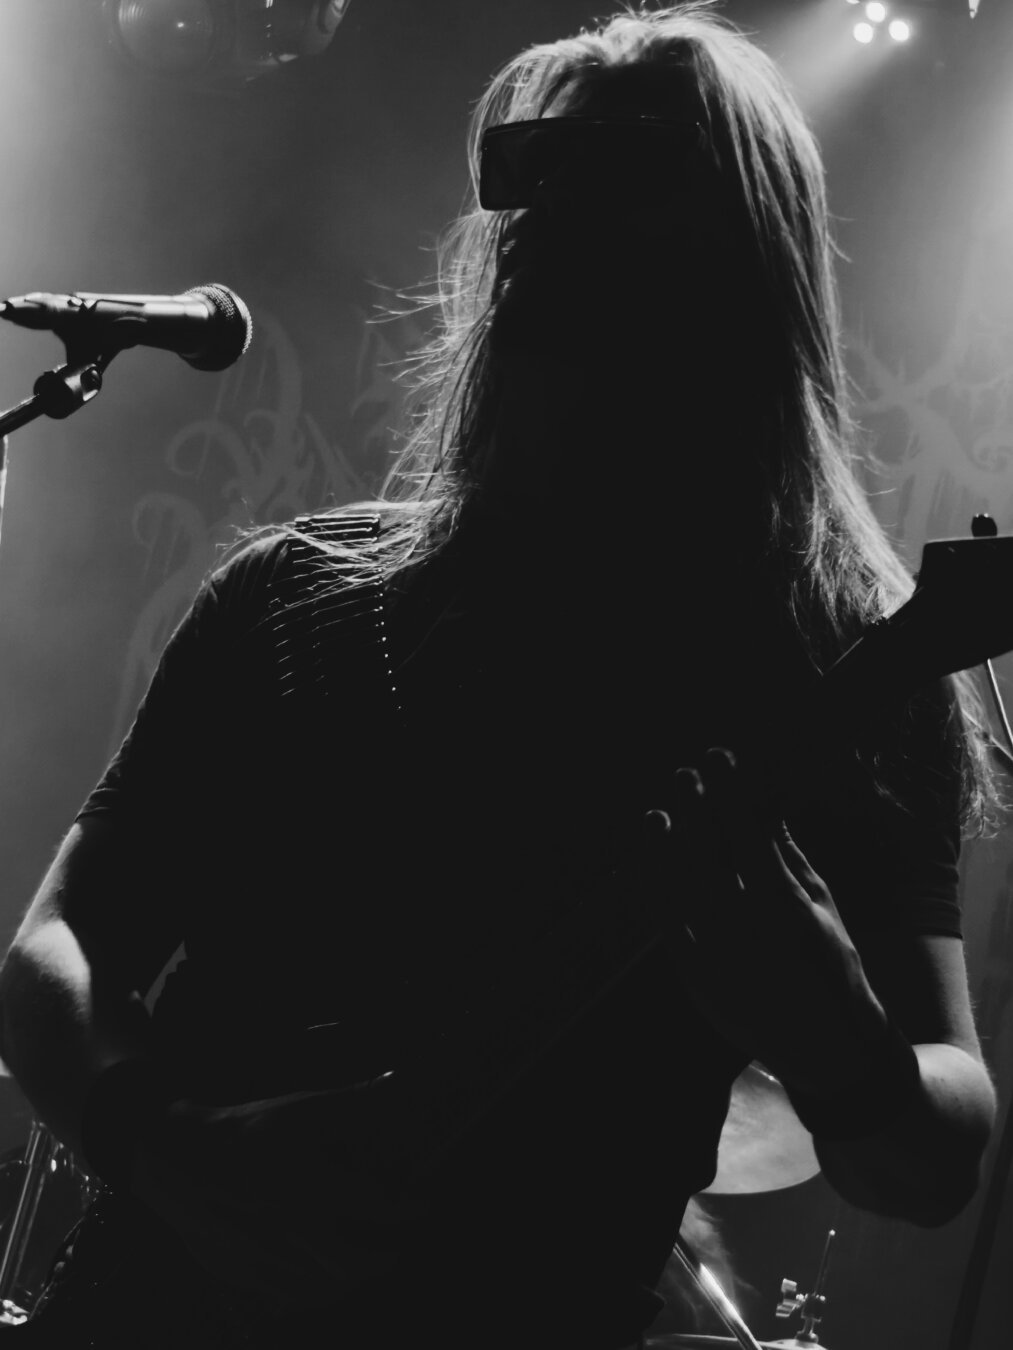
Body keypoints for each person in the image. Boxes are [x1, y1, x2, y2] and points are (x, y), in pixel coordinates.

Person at [0, 4, 1002, 1347]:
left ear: (733, 268)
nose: (546, 245)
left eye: (621, 197)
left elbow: (933, 1152)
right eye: (532, 197)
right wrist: (164, 1143)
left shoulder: (841, 670)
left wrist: (827, 1022)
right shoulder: (291, 596)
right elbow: (57, 943)